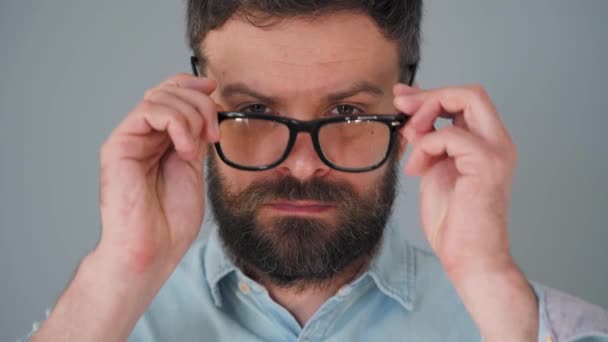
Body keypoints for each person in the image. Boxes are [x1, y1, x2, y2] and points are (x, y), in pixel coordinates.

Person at [23, 1, 608, 341]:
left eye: (349, 113)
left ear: (409, 116)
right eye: (254, 111)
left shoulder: (508, 321)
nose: (302, 164)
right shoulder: (107, 318)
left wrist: (488, 279)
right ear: (199, 111)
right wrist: (121, 270)